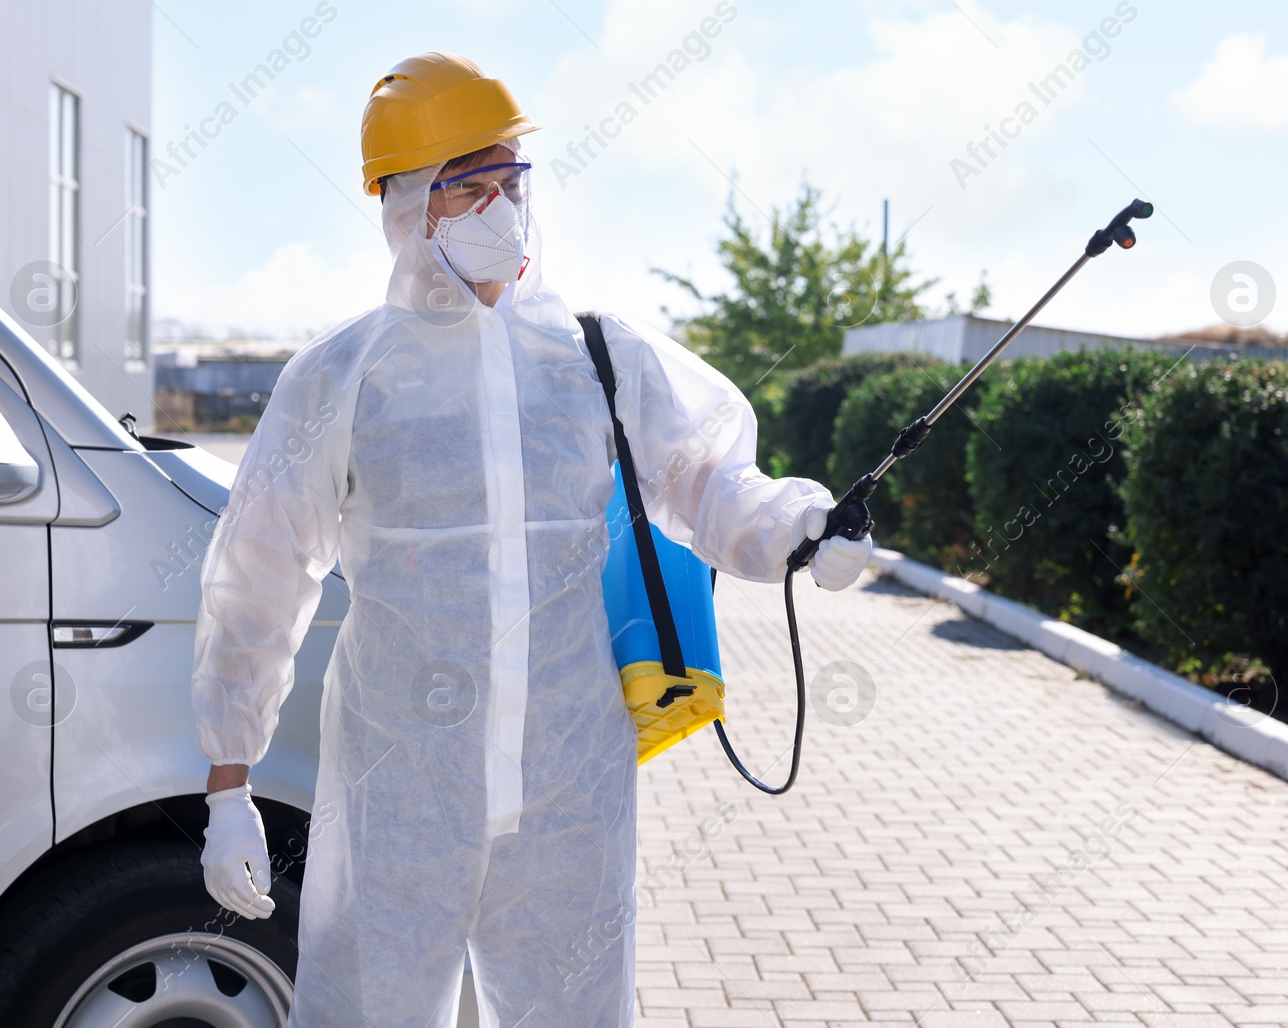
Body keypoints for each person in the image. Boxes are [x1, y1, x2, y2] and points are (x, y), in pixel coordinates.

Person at [190, 52, 872, 1028]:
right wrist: (228, 781)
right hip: (398, 796)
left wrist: (799, 526)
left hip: (569, 795)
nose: (501, 207)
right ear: (406, 205)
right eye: (469, 184)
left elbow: (704, 476)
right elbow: (255, 580)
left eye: (512, 179)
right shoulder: (343, 378)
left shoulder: (594, 354)